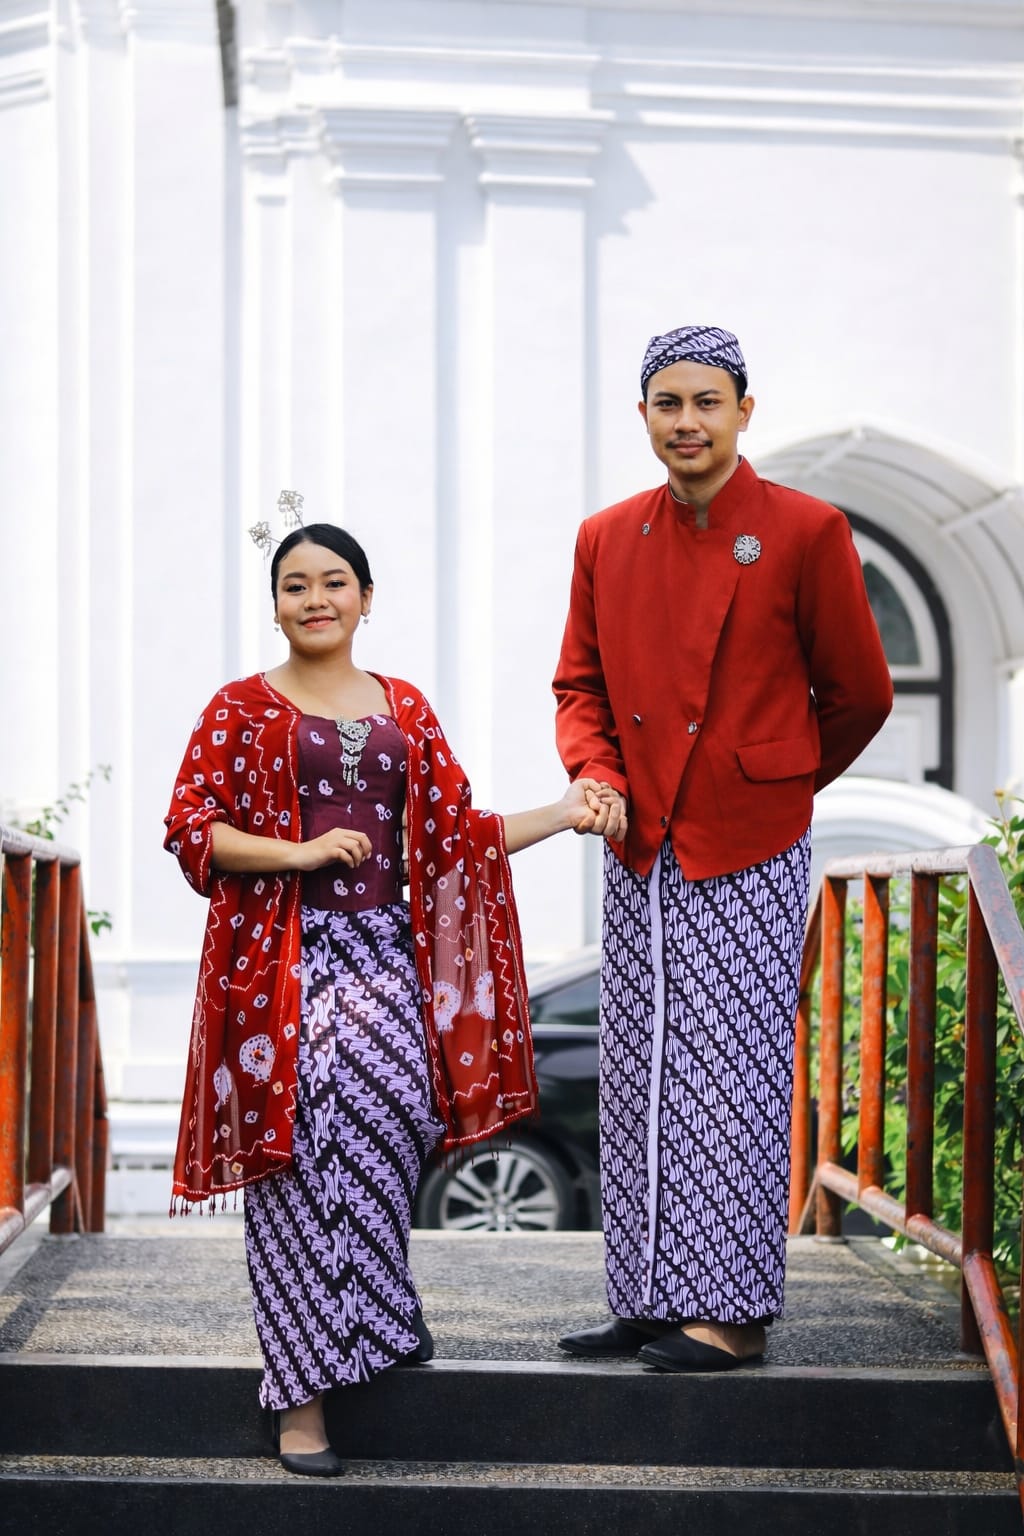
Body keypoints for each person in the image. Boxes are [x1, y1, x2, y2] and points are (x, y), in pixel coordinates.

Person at [164, 515, 615, 1476]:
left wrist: (565, 811)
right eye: (295, 585)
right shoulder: (237, 709)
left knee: (394, 1119)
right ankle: (300, 1401)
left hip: (385, 961)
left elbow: (457, 837)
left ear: (366, 599)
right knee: (296, 1160)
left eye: (335, 582)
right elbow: (193, 831)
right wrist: (298, 852)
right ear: (275, 605)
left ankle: (378, 1311)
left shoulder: (405, 707)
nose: (315, 599)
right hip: (279, 972)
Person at [552, 324, 893, 1371]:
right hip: (636, 841)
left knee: (732, 1077)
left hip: (750, 840)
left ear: (745, 410)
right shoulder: (606, 536)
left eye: (707, 401)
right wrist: (596, 772)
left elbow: (860, 693)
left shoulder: (805, 529)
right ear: (644, 415)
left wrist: (775, 778)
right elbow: (580, 687)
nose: (687, 421)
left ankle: (731, 1315)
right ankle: (648, 1297)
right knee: (641, 1071)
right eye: (668, 403)